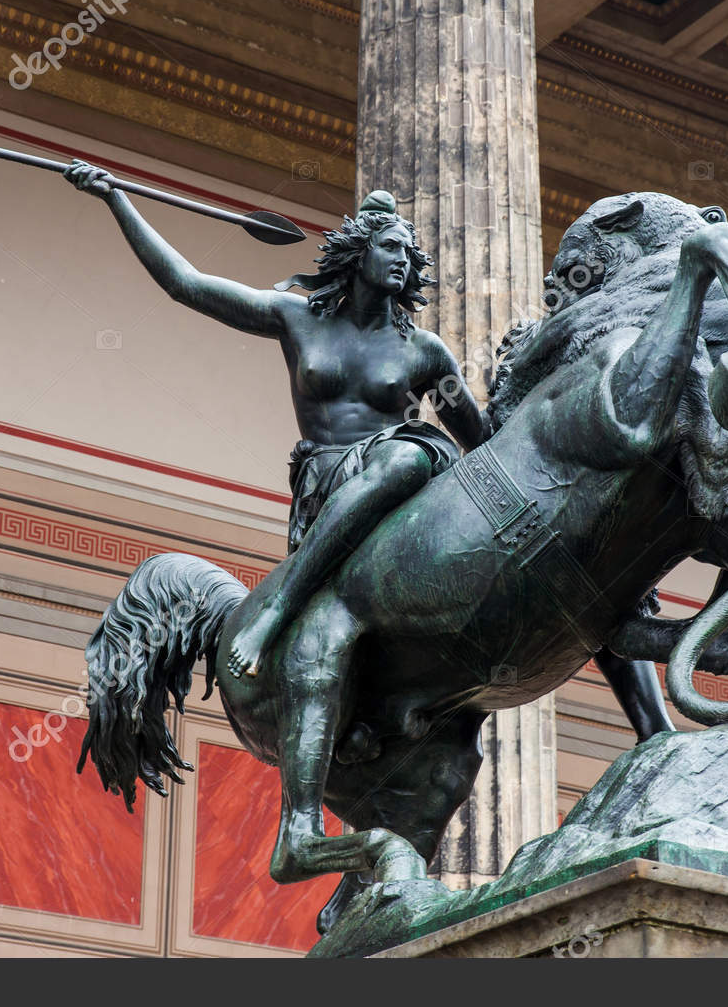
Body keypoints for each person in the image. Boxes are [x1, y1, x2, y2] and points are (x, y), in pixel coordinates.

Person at [65, 163, 488, 676]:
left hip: (397, 481)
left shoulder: (425, 352)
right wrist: (116, 200)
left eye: (408, 252)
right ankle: (290, 608)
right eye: (390, 247)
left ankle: (279, 610)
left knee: (407, 457)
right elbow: (186, 284)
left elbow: (481, 440)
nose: (402, 260)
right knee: (400, 462)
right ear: (359, 254)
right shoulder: (297, 318)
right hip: (327, 485)